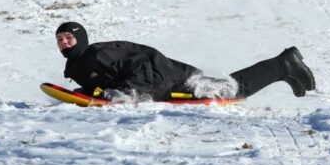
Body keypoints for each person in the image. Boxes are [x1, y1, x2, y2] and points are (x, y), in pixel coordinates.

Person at [55, 22, 316, 101]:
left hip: (171, 76)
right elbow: (105, 81)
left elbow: (139, 64)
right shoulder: (76, 65)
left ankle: (285, 65)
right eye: (60, 39)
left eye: (69, 38)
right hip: (163, 79)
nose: (65, 43)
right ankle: (285, 70)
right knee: (231, 88)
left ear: (81, 38)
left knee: (232, 91)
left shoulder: (98, 54)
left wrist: (128, 92)